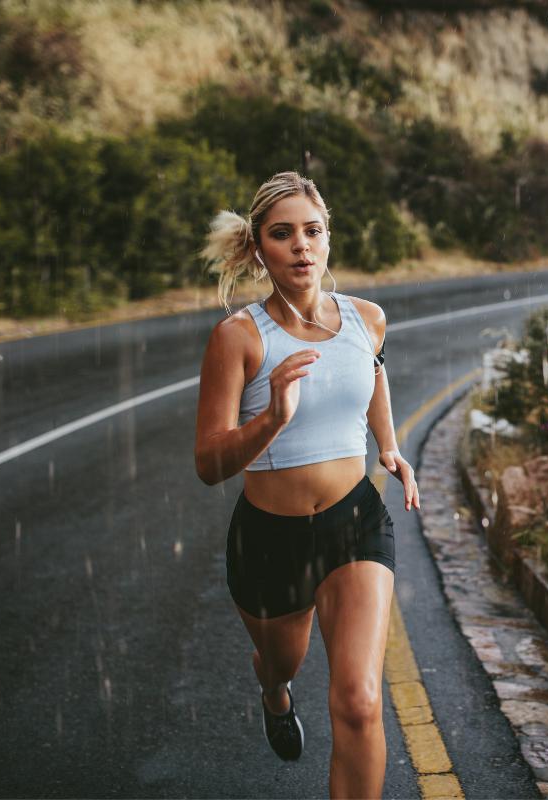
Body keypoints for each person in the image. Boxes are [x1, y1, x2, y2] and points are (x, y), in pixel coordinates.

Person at [193, 171, 420, 798]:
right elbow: (209, 463)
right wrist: (271, 418)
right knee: (281, 660)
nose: (301, 246)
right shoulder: (239, 337)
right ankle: (273, 691)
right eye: (282, 233)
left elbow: (372, 375)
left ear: (328, 240)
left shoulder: (366, 319)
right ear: (259, 248)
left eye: (312, 231)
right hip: (269, 540)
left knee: (359, 700)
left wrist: (391, 445)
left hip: (355, 523)